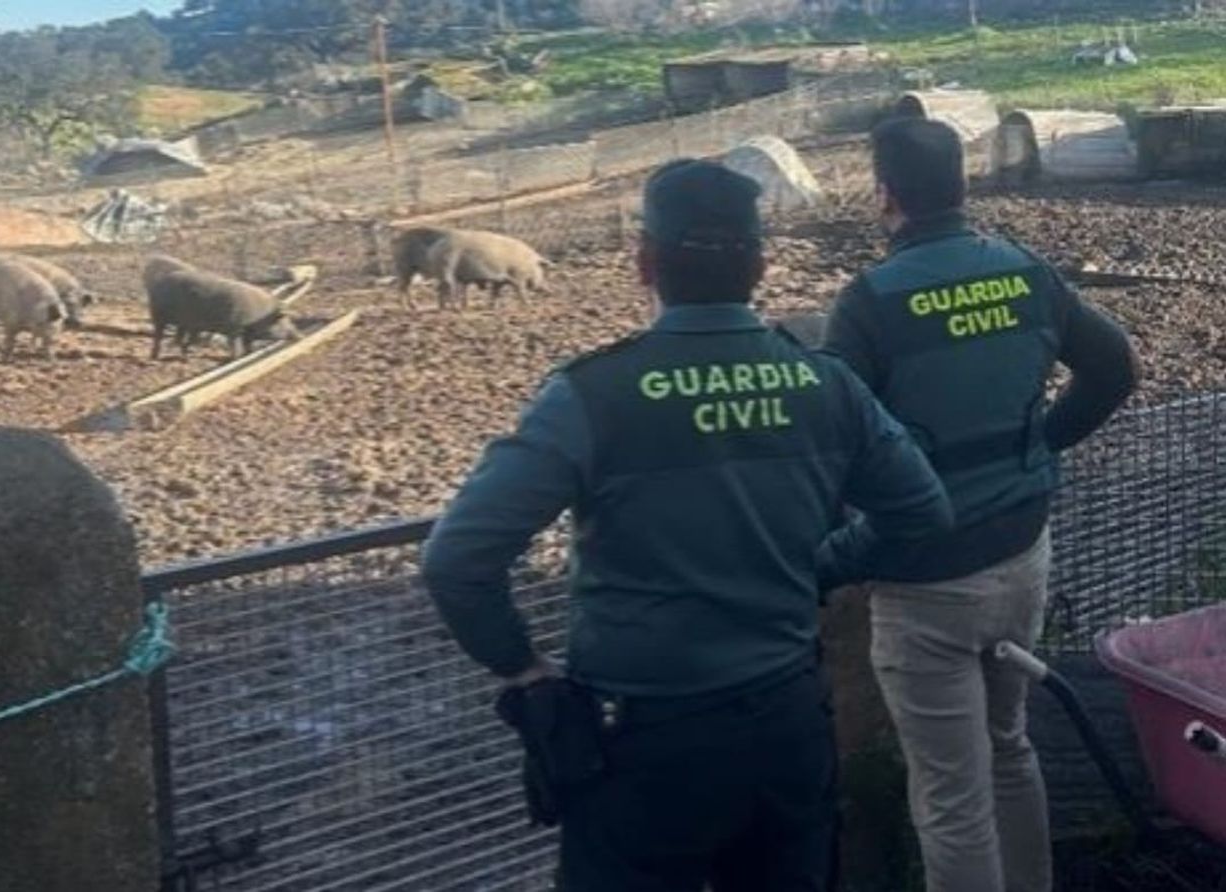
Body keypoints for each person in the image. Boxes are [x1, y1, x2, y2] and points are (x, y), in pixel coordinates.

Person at [421, 159, 955, 892]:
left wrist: (520, 665)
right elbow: (922, 510)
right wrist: (820, 568)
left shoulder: (593, 392)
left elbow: (456, 558)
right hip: (789, 724)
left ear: (644, 264)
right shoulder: (825, 383)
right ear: (761, 266)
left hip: (642, 745)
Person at [821, 118, 1139, 892]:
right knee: (1010, 748)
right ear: (962, 186)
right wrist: (1038, 447)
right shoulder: (1024, 272)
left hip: (924, 582)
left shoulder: (868, 304)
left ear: (884, 196)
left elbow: (829, 452)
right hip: (1022, 553)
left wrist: (830, 560)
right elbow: (1117, 369)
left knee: (949, 793)